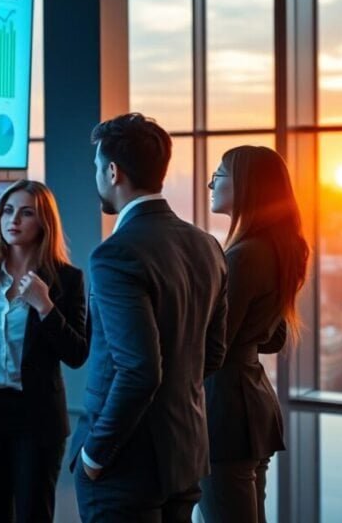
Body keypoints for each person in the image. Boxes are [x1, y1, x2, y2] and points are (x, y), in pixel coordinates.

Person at [70, 112, 229, 523]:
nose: (96, 180)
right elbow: (212, 354)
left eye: (96, 169)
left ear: (112, 171)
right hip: (185, 454)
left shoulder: (116, 254)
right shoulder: (206, 245)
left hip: (125, 465)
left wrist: (94, 453)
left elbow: (139, 370)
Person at [0, 179, 89, 523]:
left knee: (33, 515)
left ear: (44, 222)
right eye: (8, 211)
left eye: (26, 213)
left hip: (37, 417)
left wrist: (45, 306)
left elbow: (77, 354)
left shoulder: (67, 279)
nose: (13, 220)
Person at [200, 145, 309, 523]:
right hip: (252, 405)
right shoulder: (277, 250)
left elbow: (216, 345)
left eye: (219, 175)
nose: (210, 183)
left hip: (225, 411)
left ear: (246, 185)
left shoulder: (242, 255)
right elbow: (273, 337)